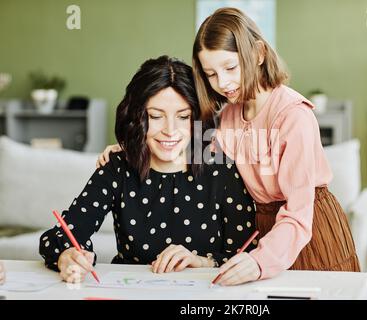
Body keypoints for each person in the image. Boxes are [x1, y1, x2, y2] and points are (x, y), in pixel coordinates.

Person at [97, 7, 360, 286]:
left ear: (258, 54)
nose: (222, 83)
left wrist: (260, 261)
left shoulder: (294, 116)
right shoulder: (230, 115)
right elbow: (188, 145)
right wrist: (131, 149)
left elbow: (298, 215)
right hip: (264, 229)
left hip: (308, 230)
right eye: (210, 74)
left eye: (230, 68)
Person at [39, 55, 256, 284]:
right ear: (136, 118)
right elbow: (62, 236)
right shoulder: (118, 167)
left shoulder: (221, 168)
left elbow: (246, 253)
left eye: (183, 117)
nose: (170, 131)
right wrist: (68, 257)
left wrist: (203, 262)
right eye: (155, 116)